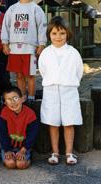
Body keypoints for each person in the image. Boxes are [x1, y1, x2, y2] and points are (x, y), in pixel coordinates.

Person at [38, 16, 83, 165]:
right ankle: (55, 152)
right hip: (51, 90)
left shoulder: (73, 53)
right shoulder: (45, 53)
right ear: (49, 34)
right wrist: (53, 81)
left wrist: (67, 82)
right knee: (53, 122)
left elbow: (79, 72)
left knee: (69, 122)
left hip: (68, 90)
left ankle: (69, 153)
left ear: (68, 34)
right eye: (55, 33)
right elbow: (43, 71)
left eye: (62, 33)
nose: (58, 37)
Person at [1, 0, 47, 105]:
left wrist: (42, 44)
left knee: (30, 75)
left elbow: (42, 27)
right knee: (19, 76)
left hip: (29, 48)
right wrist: (5, 43)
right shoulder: (12, 9)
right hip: (14, 48)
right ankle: (22, 97)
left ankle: (31, 98)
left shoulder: (36, 9)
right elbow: (6, 26)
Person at [0, 86, 38, 169]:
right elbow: (2, 134)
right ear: (5, 102)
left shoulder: (30, 114)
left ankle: (29, 158)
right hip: (8, 146)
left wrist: (23, 150)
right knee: (11, 164)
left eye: (15, 98)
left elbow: (32, 135)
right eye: (9, 100)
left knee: (21, 165)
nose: (12, 102)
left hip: (24, 147)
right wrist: (7, 150)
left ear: (22, 98)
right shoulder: (4, 113)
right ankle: (8, 155)